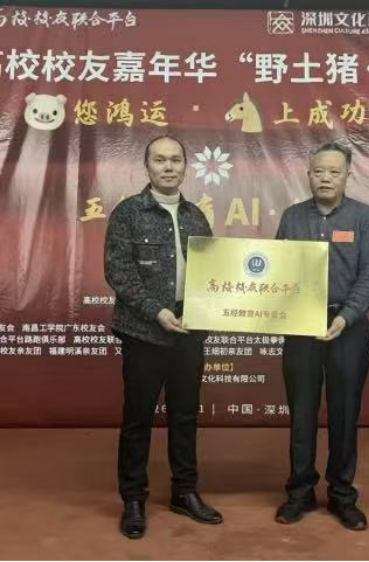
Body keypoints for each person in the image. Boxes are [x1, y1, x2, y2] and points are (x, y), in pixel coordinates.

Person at [104, 135, 223, 539]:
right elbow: (119, 272)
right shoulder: (128, 213)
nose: (168, 166)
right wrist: (157, 311)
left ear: (185, 166)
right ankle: (133, 499)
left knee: (185, 416)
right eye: (160, 160)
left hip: (190, 328)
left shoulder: (196, 216)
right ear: (147, 166)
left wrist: (209, 307)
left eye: (175, 160)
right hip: (144, 330)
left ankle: (184, 492)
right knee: (138, 418)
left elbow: (213, 272)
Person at [275, 142, 369, 530]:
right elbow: (276, 271)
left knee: (344, 414)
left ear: (347, 175)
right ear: (308, 174)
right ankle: (299, 493)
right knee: (302, 412)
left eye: (334, 172)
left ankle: (342, 495)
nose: (325, 178)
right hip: (301, 325)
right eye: (319, 171)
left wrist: (347, 316)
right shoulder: (292, 217)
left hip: (347, 327)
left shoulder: (364, 217)